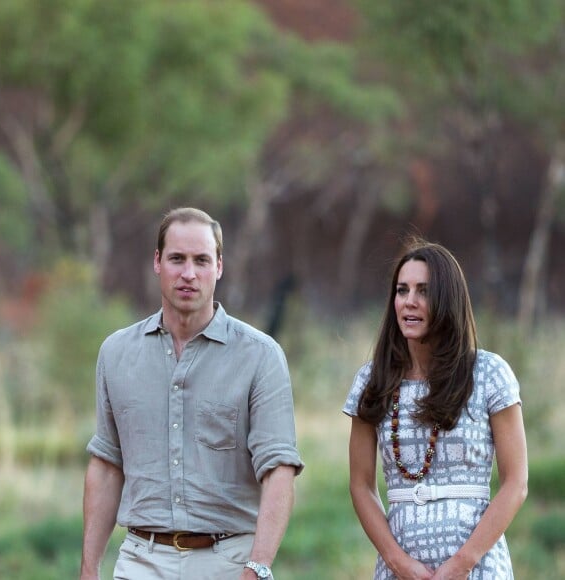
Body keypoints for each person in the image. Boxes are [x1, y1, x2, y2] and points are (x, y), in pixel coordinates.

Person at [80, 207, 304, 580]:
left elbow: (279, 470)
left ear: (219, 266)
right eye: (176, 259)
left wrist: (258, 566)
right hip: (140, 559)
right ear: (157, 262)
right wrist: (89, 569)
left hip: (229, 560)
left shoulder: (260, 356)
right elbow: (106, 466)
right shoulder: (116, 353)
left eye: (201, 260)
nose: (188, 273)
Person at [343, 239, 527, 579]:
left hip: (478, 567)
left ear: (447, 300)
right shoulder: (372, 380)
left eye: (423, 291)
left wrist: (462, 564)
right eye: (402, 290)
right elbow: (361, 485)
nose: (409, 302)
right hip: (401, 569)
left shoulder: (489, 373)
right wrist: (398, 562)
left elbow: (516, 482)